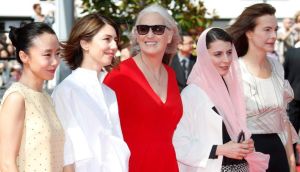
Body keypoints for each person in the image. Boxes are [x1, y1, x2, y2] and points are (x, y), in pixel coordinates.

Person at [173, 27, 269, 172]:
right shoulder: (191, 94)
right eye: (218, 54)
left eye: (229, 53)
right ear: (204, 56)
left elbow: (235, 131)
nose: (226, 60)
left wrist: (245, 145)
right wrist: (219, 150)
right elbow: (179, 144)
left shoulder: (233, 88)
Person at [104, 4, 182, 172]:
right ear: (136, 36)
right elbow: (102, 134)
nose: (150, 35)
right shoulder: (119, 76)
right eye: (143, 29)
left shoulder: (171, 74)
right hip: (132, 166)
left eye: (158, 29)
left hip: (169, 165)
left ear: (170, 35)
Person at [52, 13, 130, 172]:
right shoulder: (67, 91)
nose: (114, 46)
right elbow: (67, 152)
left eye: (115, 40)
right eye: (107, 39)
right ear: (85, 43)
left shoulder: (109, 93)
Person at [227, 3, 299, 172]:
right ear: (249, 32)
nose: (274, 35)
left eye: (275, 29)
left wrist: (290, 160)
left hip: (278, 151)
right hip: (247, 154)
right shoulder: (234, 70)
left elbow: (284, 119)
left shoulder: (277, 66)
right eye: (267, 29)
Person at [0, 22, 64, 171]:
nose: (55, 61)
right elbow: (6, 162)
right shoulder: (17, 98)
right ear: (24, 56)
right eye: (47, 54)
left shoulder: (47, 98)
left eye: (58, 53)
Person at [284, 47, 300, 162]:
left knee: (293, 129)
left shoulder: (291, 53)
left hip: (294, 97)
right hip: (293, 98)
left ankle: (292, 157)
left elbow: (284, 75)